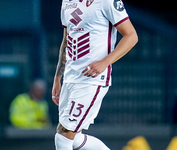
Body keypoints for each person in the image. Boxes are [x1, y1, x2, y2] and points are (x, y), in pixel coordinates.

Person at [52, 0, 138, 149]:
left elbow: (131, 36)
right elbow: (66, 39)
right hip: (70, 78)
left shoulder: (107, 1)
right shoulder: (67, 1)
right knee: (74, 137)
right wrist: (58, 77)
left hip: (92, 80)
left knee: (63, 136)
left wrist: (105, 62)